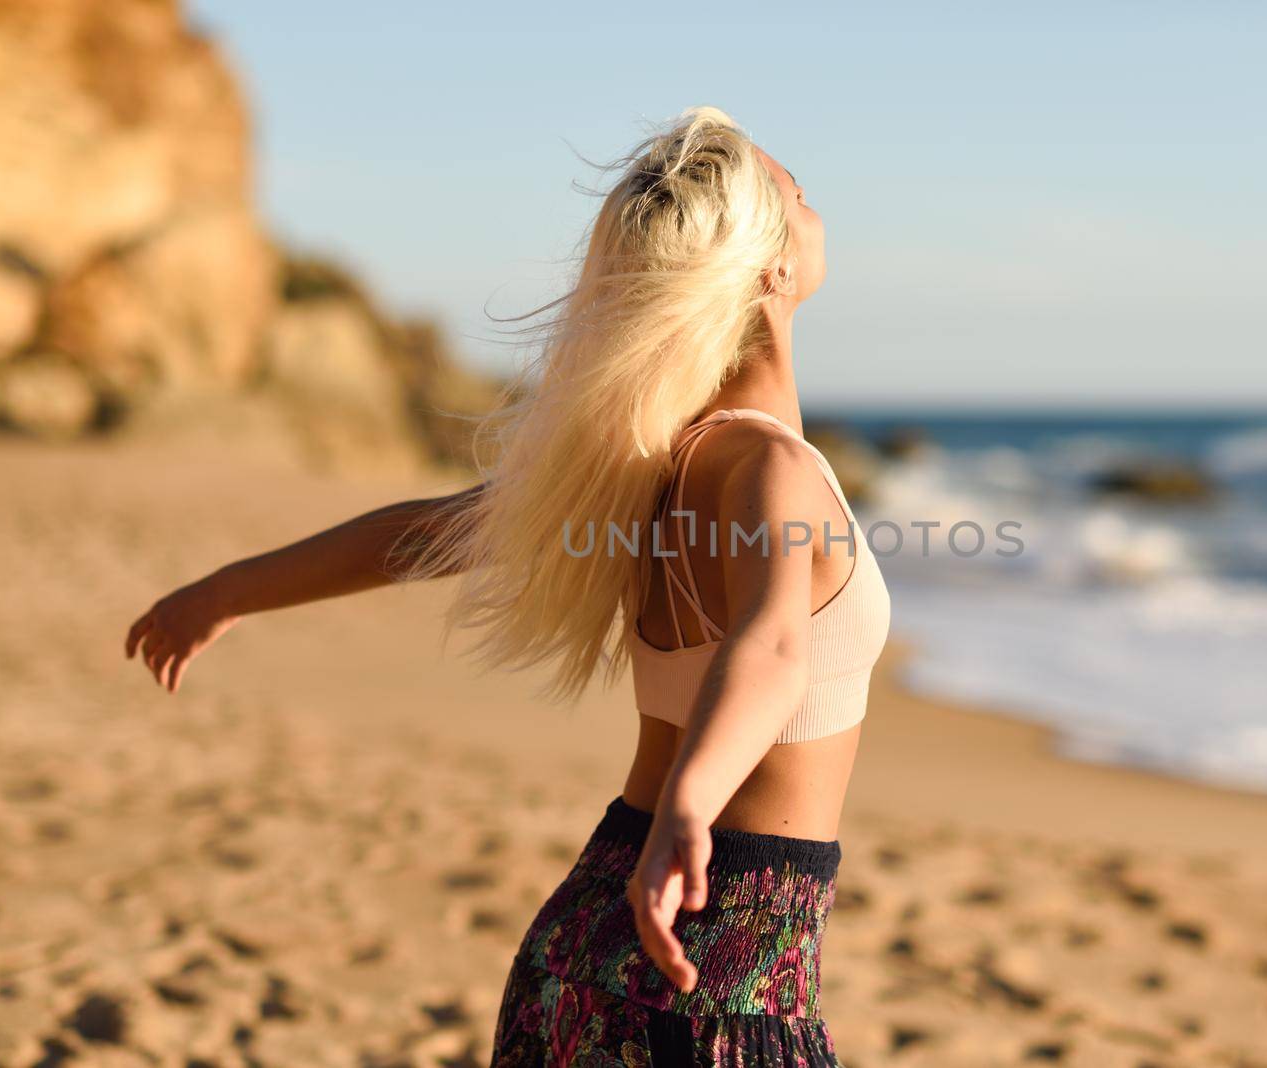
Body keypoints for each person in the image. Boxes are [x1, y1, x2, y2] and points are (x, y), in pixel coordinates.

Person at [124, 105, 890, 1066]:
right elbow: (775, 642)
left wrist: (231, 590)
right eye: (800, 193)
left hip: (584, 943)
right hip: (720, 960)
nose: (819, 206)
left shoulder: (642, 464)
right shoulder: (771, 471)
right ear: (769, 266)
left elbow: (422, 535)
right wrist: (692, 808)